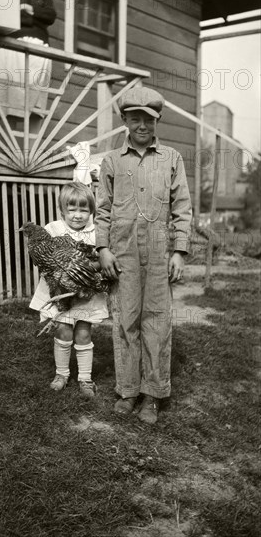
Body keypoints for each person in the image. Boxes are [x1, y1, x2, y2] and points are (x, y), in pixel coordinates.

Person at [95, 86, 192, 424]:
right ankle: (128, 390)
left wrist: (179, 251)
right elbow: (103, 210)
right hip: (121, 254)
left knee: (156, 321)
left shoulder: (171, 159)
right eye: (134, 118)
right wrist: (103, 248)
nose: (141, 125)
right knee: (126, 319)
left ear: (157, 120)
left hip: (157, 251)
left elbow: (182, 208)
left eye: (148, 119)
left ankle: (152, 394)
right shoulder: (111, 161)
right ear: (124, 120)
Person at [30, 182, 109, 398]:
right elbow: (43, 261)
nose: (77, 215)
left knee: (83, 333)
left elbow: (100, 261)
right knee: (63, 330)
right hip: (59, 291)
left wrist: (88, 273)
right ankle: (62, 374)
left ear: (91, 211)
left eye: (83, 210)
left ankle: (85, 378)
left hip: (85, 294)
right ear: (62, 210)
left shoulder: (96, 233)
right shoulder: (53, 229)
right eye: (71, 209)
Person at [0, 0, 56, 136]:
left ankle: (32, 154)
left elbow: (50, 16)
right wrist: (33, 18)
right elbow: (1, 14)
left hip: (38, 47)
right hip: (13, 45)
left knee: (35, 100)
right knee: (11, 96)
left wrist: (29, 9)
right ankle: (10, 151)